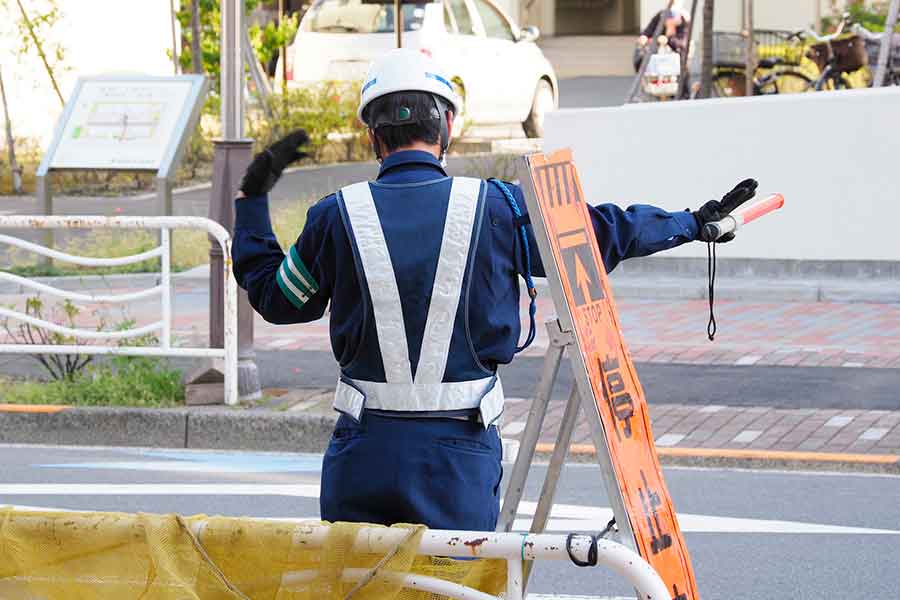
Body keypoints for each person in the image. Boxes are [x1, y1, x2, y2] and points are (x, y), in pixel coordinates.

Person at [232, 48, 756, 531]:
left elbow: (278, 299)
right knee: (459, 581)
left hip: (362, 455)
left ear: (373, 134)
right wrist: (691, 223)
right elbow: (598, 234)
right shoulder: (499, 207)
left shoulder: (336, 215)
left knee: (361, 582)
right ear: (448, 124)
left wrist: (252, 201)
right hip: (459, 457)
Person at [635, 5, 691, 71]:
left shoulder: (683, 22)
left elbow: (683, 43)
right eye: (667, 19)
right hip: (656, 59)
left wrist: (668, 40)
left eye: (672, 19)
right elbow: (648, 31)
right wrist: (644, 37)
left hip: (676, 59)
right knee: (641, 53)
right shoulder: (659, 18)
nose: (669, 21)